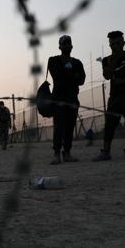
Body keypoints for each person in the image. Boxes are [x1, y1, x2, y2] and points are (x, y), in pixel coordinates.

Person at [93, 31, 125, 161]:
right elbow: (107, 75)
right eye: (113, 44)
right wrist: (117, 58)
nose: (115, 46)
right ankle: (106, 151)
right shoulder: (107, 60)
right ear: (110, 45)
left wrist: (123, 81)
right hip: (114, 97)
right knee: (110, 125)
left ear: (123, 42)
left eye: (118, 43)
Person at [47, 35, 86, 165]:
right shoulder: (53, 60)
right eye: (64, 44)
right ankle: (56, 154)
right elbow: (57, 76)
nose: (66, 46)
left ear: (72, 46)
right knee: (59, 127)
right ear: (60, 46)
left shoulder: (77, 62)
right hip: (58, 100)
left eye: (68, 43)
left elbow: (82, 80)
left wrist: (67, 75)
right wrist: (72, 75)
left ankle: (67, 153)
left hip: (72, 99)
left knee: (70, 127)